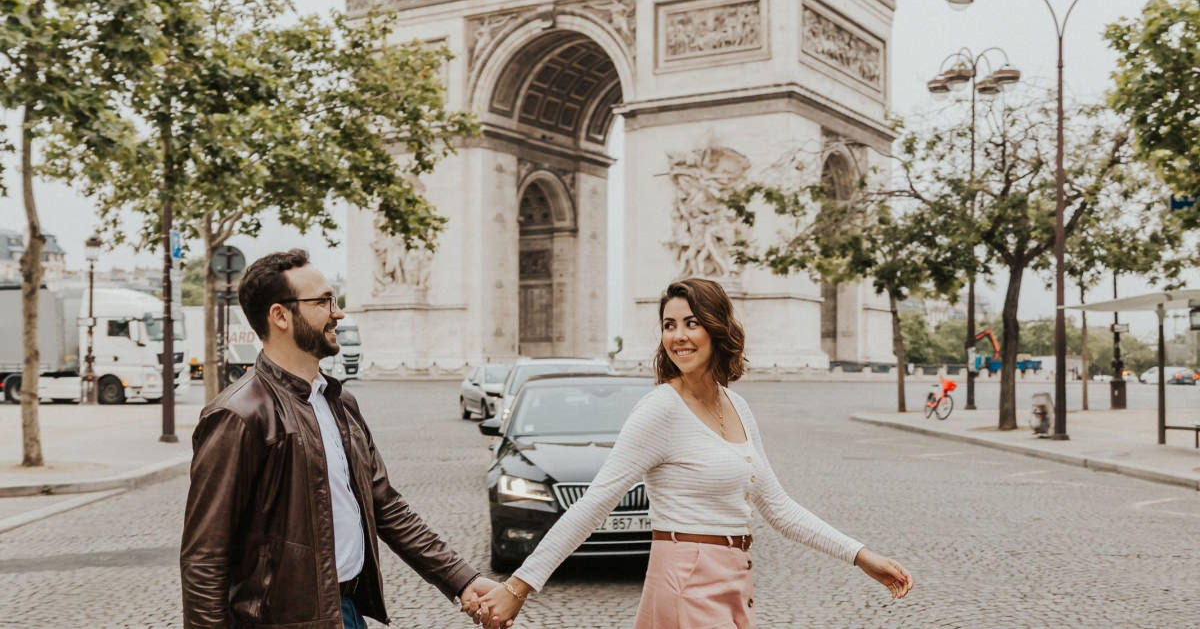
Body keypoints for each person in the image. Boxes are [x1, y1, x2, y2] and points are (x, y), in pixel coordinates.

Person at [465, 278, 913, 628]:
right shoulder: (660, 408)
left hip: (736, 579)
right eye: (669, 325)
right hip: (687, 578)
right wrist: (520, 586)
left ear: (718, 328)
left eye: (691, 322)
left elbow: (779, 508)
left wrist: (861, 555)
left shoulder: (737, 406)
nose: (679, 336)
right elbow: (594, 504)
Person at [180, 249, 503, 628]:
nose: (338, 312)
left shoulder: (340, 403)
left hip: (344, 612)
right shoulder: (239, 414)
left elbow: (386, 506)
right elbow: (205, 557)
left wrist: (461, 579)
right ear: (280, 315)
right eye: (322, 301)